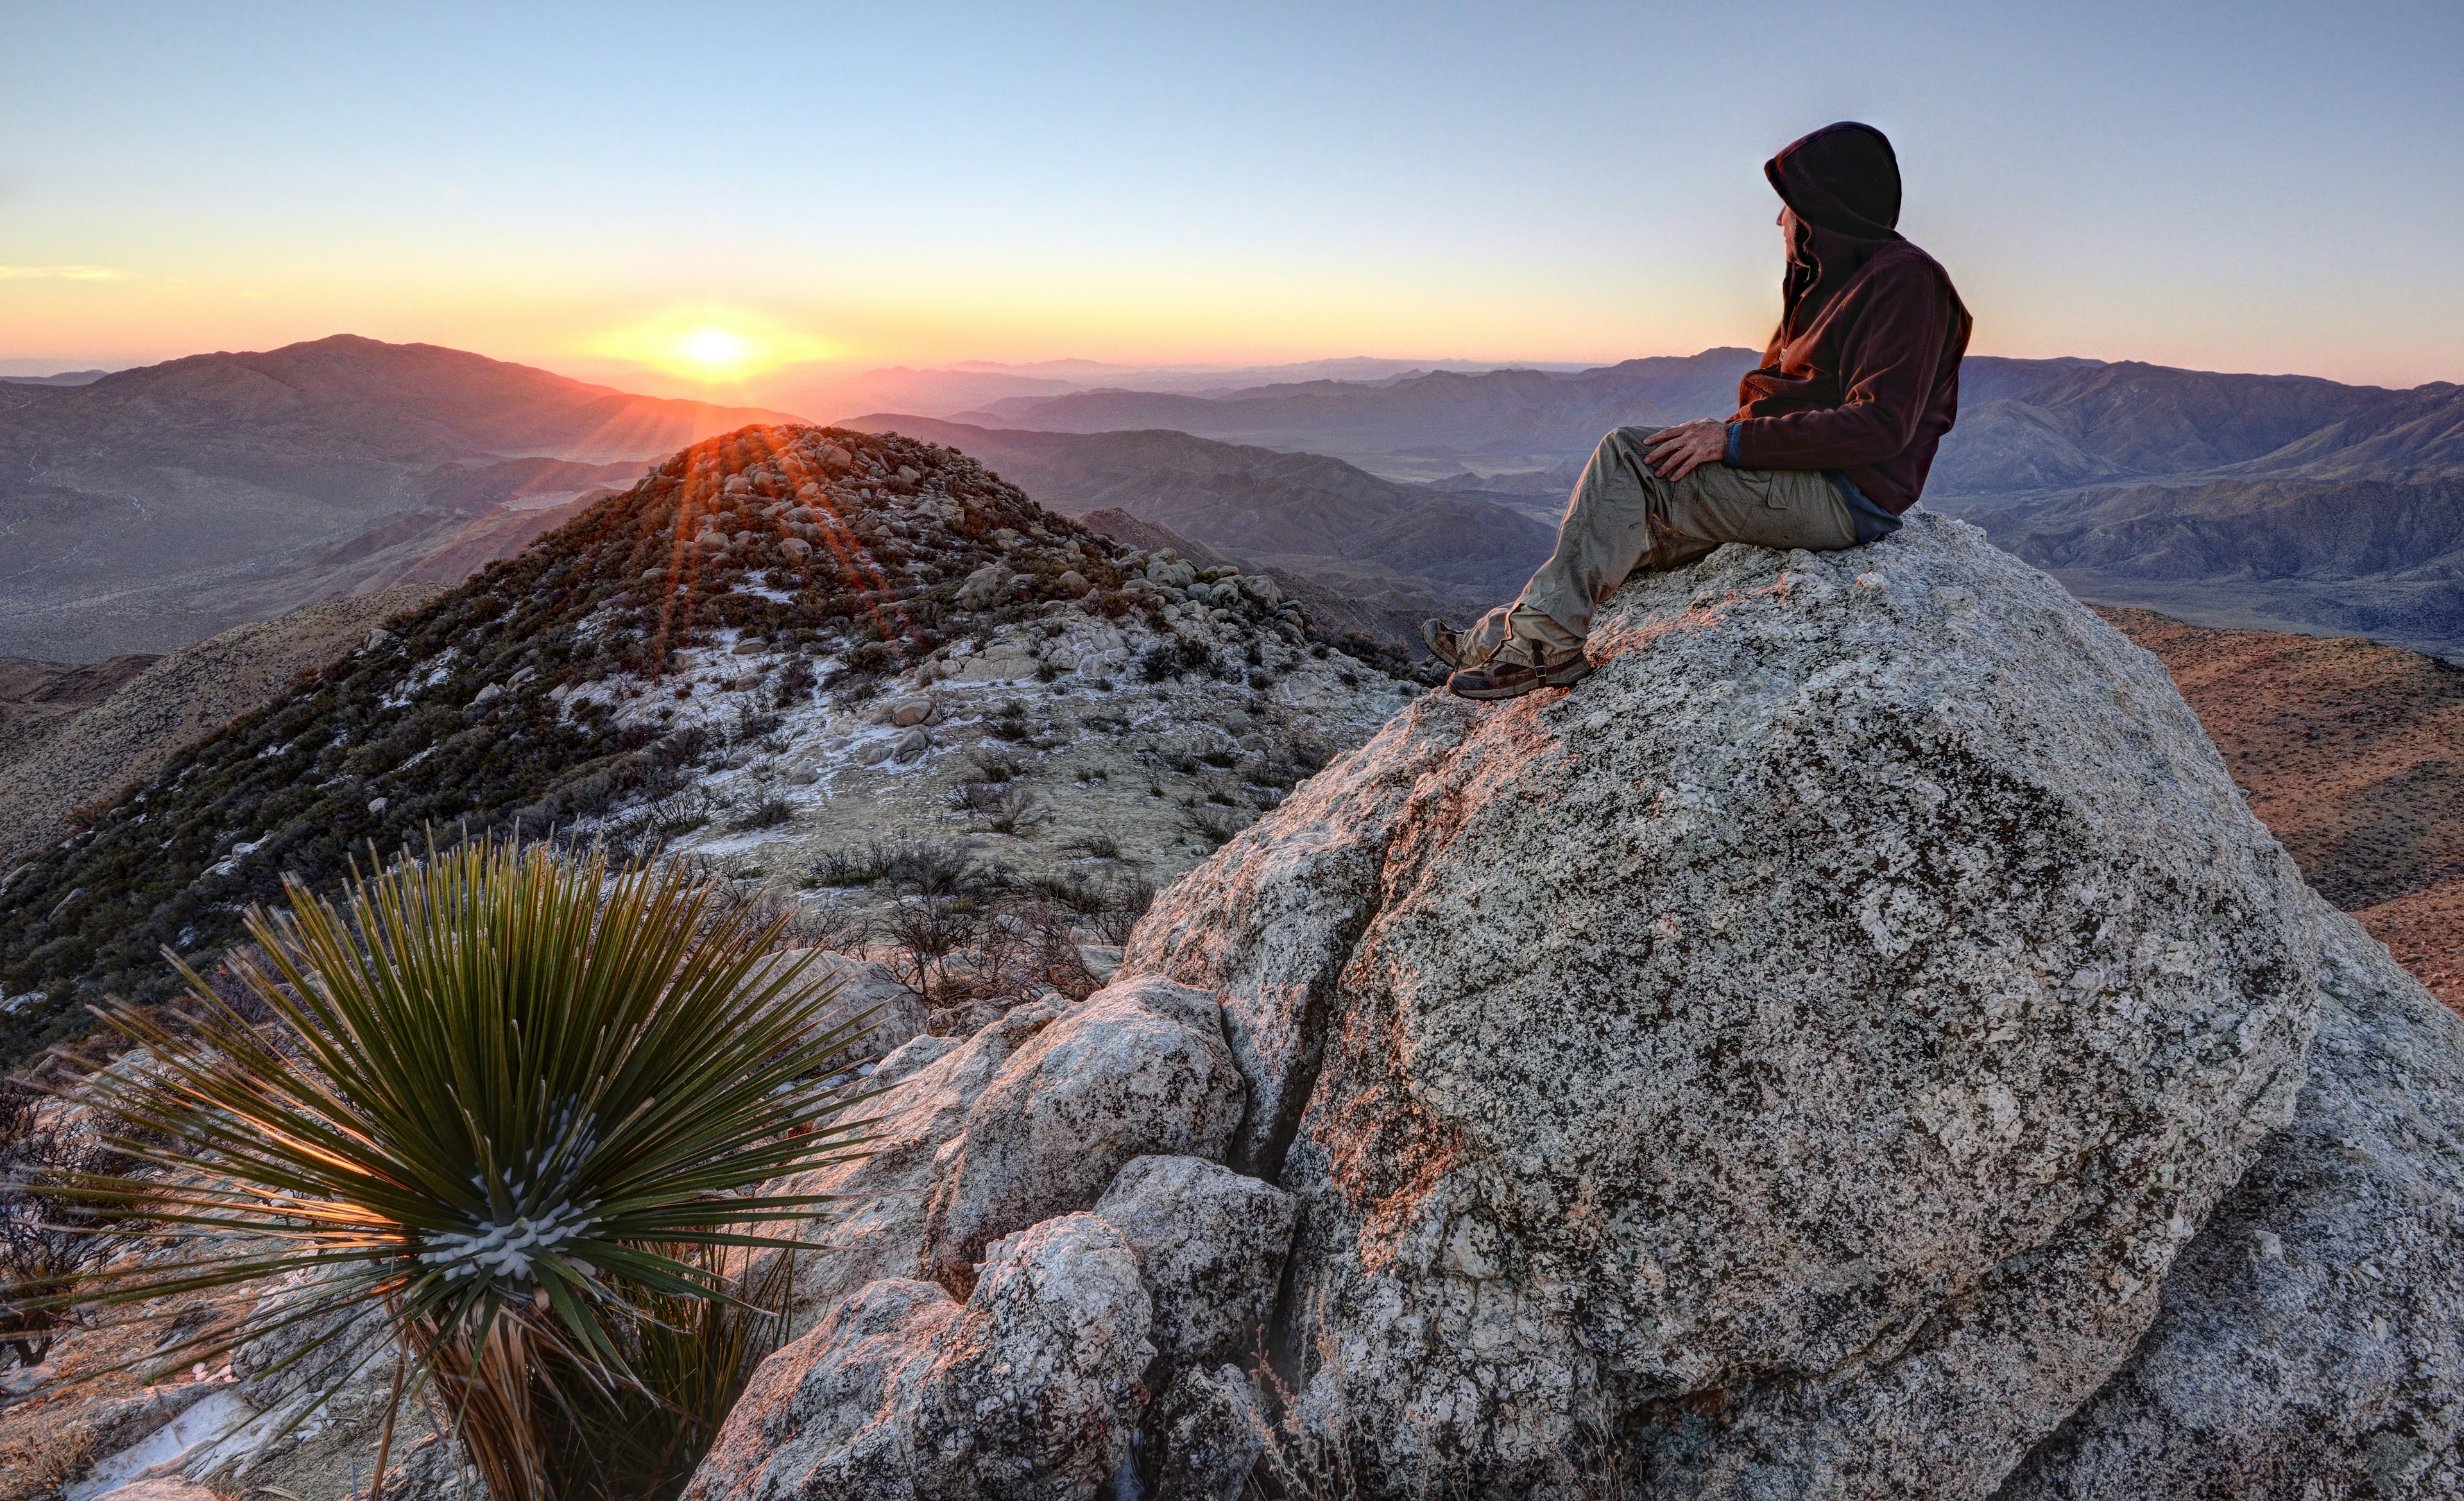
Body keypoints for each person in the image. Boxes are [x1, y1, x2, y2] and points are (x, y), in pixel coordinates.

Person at [1430, 121, 1973, 699]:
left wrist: (1730, 443)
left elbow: (1882, 425)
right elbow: (1787, 398)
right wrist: (1724, 438)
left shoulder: (1905, 281)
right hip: (1802, 476)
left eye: (1788, 206)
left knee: (1629, 458)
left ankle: (1545, 652)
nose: (1778, 221)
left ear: (1823, 207)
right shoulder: (1827, 284)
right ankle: (1497, 639)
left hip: (1843, 493)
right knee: (1619, 523)